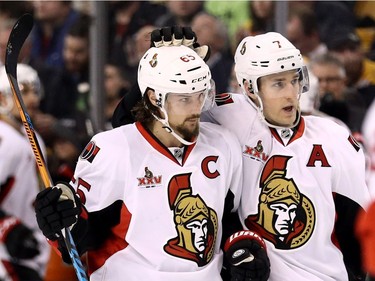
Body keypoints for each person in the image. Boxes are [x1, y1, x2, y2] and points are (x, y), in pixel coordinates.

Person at [112, 29, 371, 281]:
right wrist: (167, 68)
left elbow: (356, 229)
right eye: (278, 83)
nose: (290, 92)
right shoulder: (226, 115)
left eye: (294, 80)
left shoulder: (334, 137)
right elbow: (133, 127)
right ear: (249, 86)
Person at [34, 45, 270, 281]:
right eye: (184, 99)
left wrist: (241, 246)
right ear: (153, 98)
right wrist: (61, 222)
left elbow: (228, 219)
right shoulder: (113, 150)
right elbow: (82, 240)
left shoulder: (223, 144)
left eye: (200, 95)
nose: (196, 109)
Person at [0, 63, 50, 280]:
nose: (34, 99)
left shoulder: (32, 136)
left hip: (32, 247)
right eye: (24, 91)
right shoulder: (3, 139)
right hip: (6, 256)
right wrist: (9, 230)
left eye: (35, 91)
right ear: (2, 98)